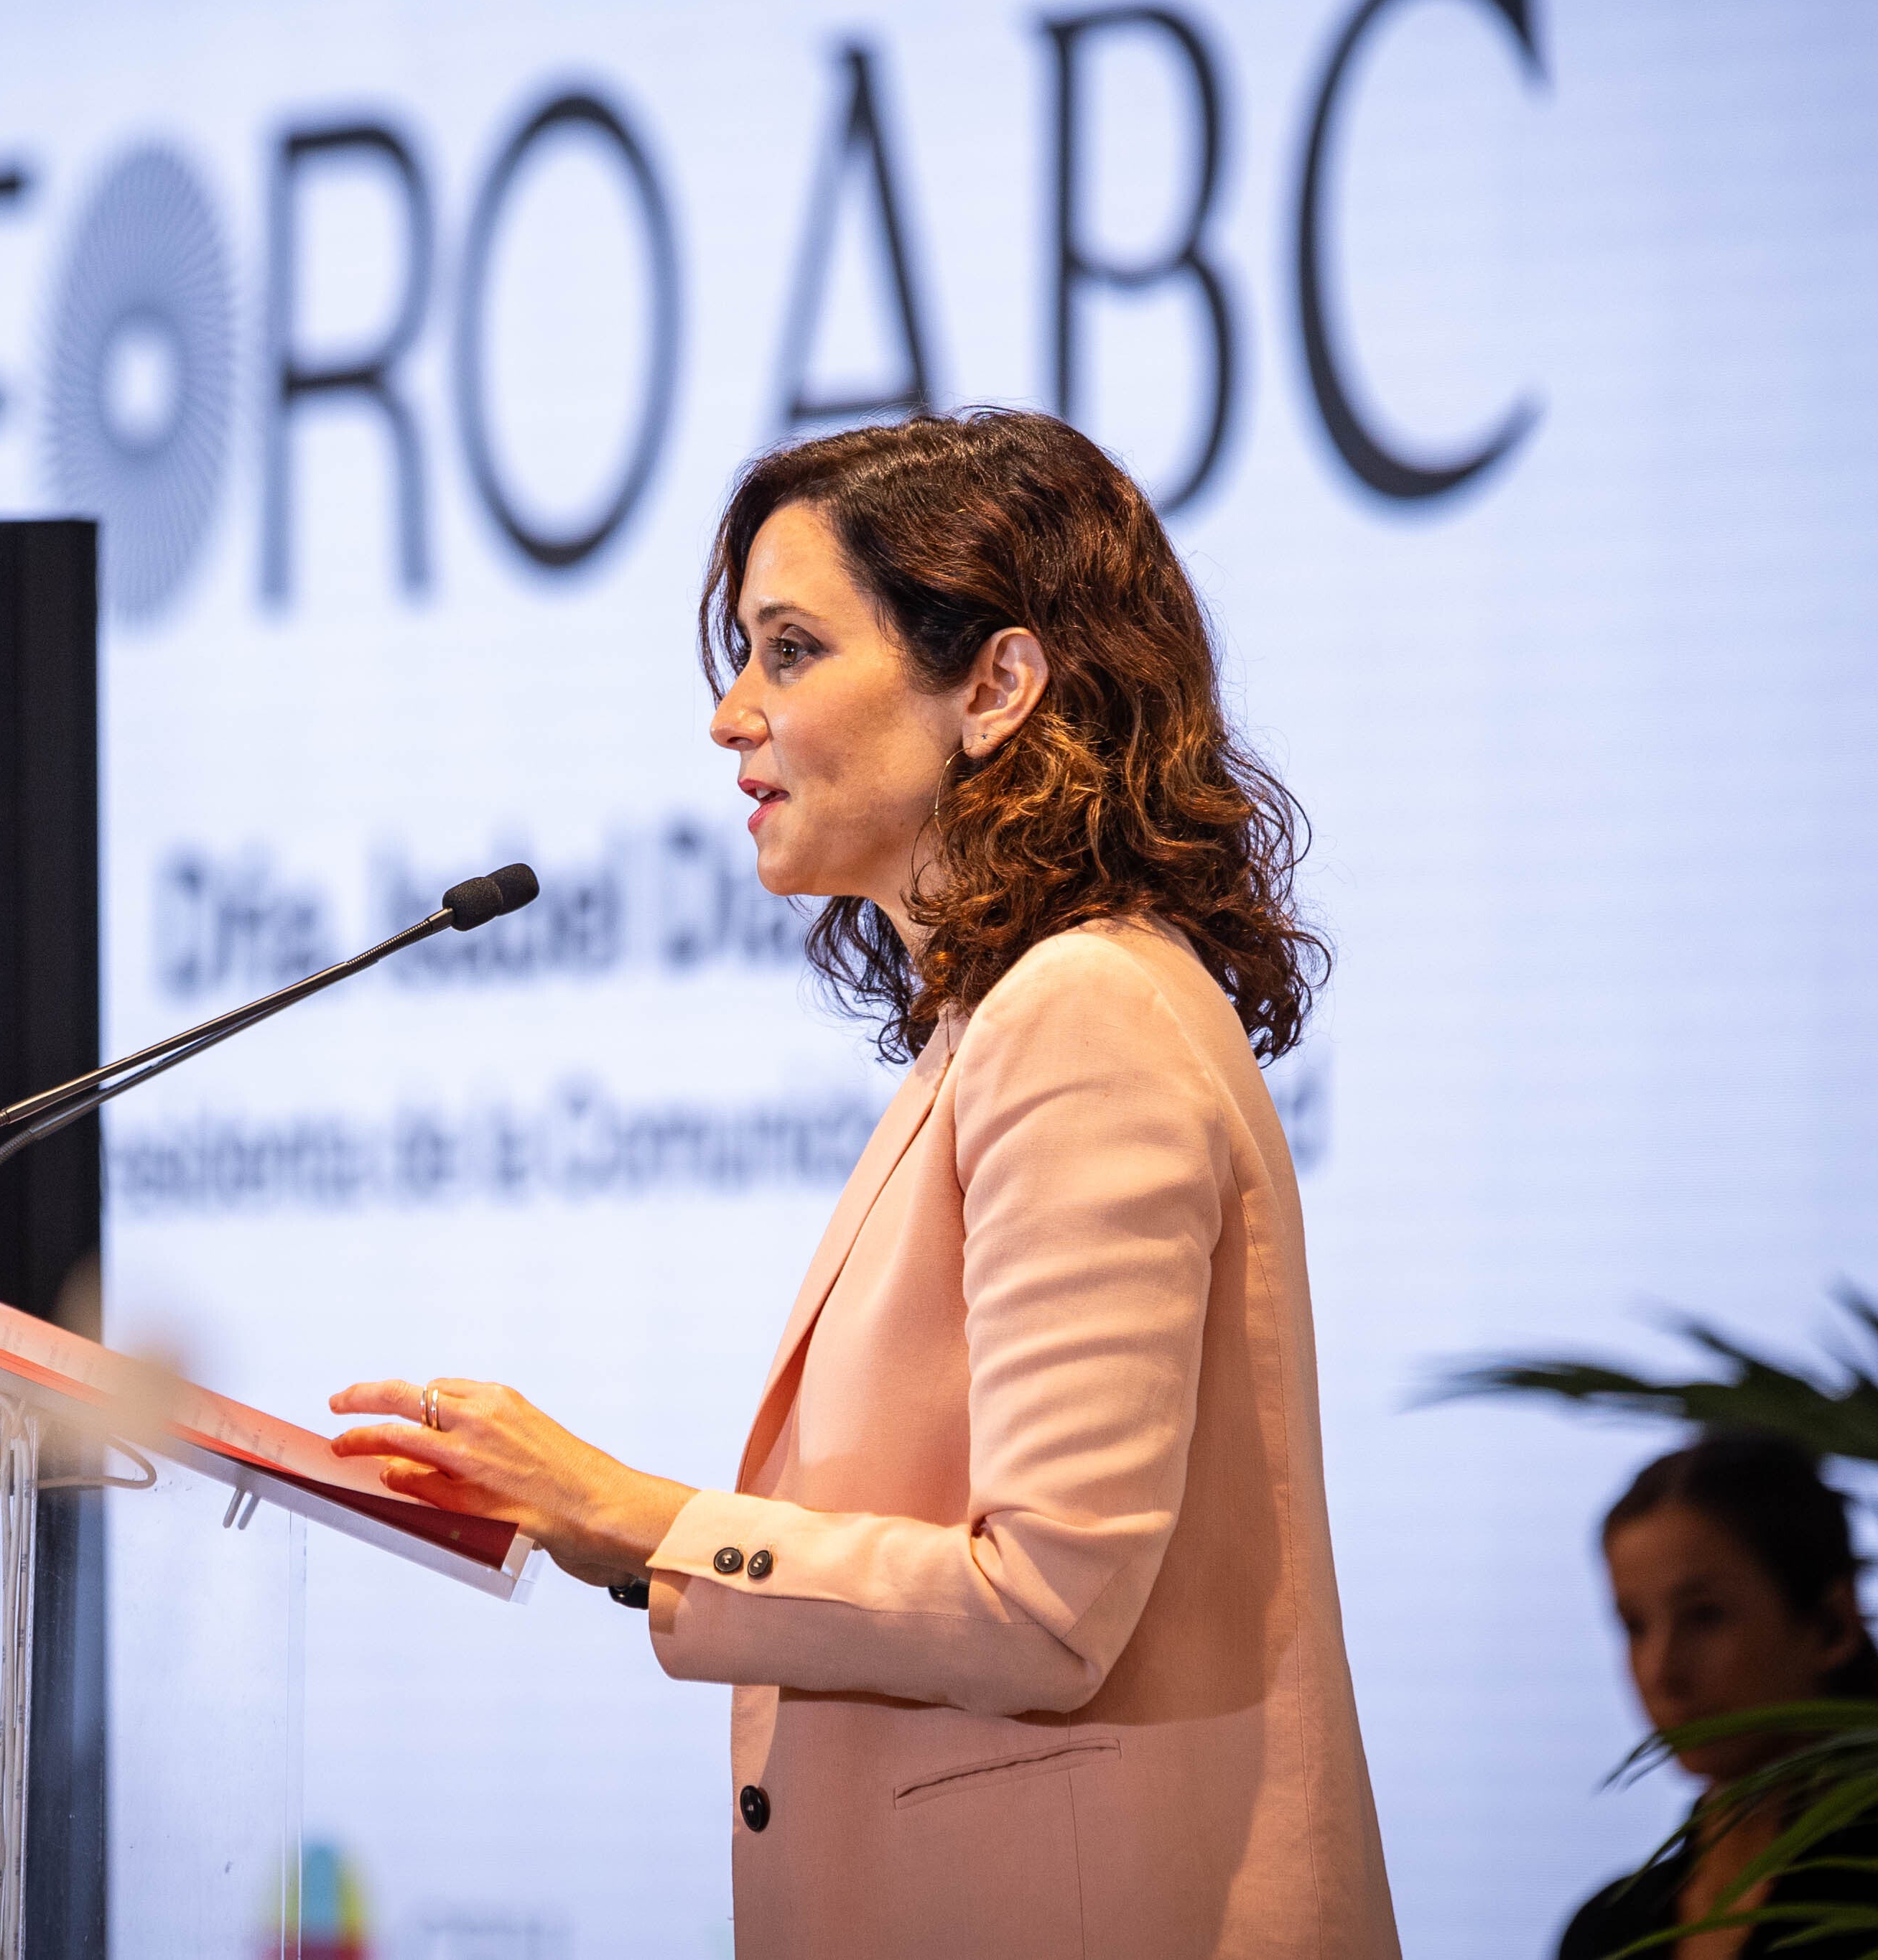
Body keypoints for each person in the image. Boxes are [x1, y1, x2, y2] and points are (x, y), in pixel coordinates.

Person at [327, 409, 1400, 1959]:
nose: (728, 715)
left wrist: (637, 1515)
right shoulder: (1008, 1011)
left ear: (995, 686)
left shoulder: (1078, 1010)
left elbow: (1046, 1603)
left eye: (788, 650)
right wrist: (606, 1537)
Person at [1561, 1432, 1878, 1960]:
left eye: (1705, 1616)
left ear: (1830, 1625)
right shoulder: (1608, 1931)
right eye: (1635, 1626)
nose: (1661, 1671)